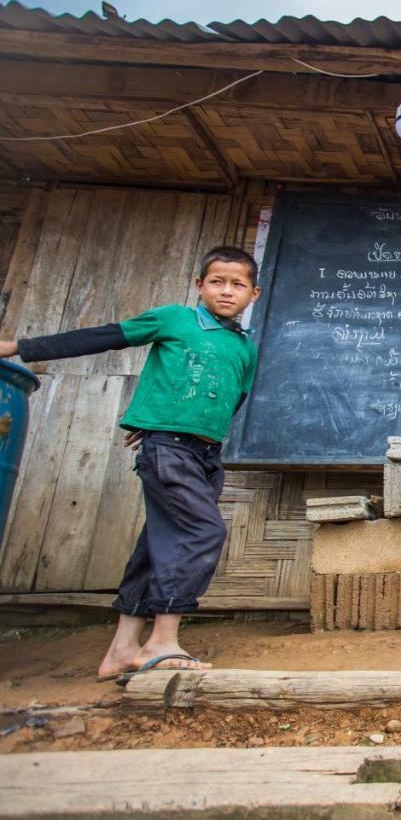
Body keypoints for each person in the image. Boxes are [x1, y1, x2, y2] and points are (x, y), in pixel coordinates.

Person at [0, 246, 260, 682]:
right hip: (168, 449)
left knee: (156, 544)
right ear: (200, 286)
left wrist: (173, 419)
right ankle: (163, 641)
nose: (227, 291)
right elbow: (105, 336)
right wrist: (17, 347)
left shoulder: (243, 347)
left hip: (203, 453)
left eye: (237, 284)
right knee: (202, 531)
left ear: (254, 293)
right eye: (217, 281)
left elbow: (234, 398)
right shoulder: (174, 319)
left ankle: (122, 648)